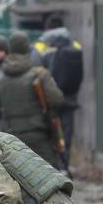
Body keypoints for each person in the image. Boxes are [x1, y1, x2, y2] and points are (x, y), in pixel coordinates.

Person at [0, 32, 66, 170]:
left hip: (10, 138)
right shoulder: (40, 74)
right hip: (39, 136)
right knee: (48, 176)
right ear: (27, 49)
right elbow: (57, 100)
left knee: (16, 177)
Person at [34, 15, 84, 167]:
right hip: (69, 100)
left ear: (47, 29)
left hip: (46, 103)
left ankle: (51, 170)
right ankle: (64, 167)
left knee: (48, 137)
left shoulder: (40, 47)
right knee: (65, 138)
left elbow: (34, 73)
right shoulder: (75, 46)